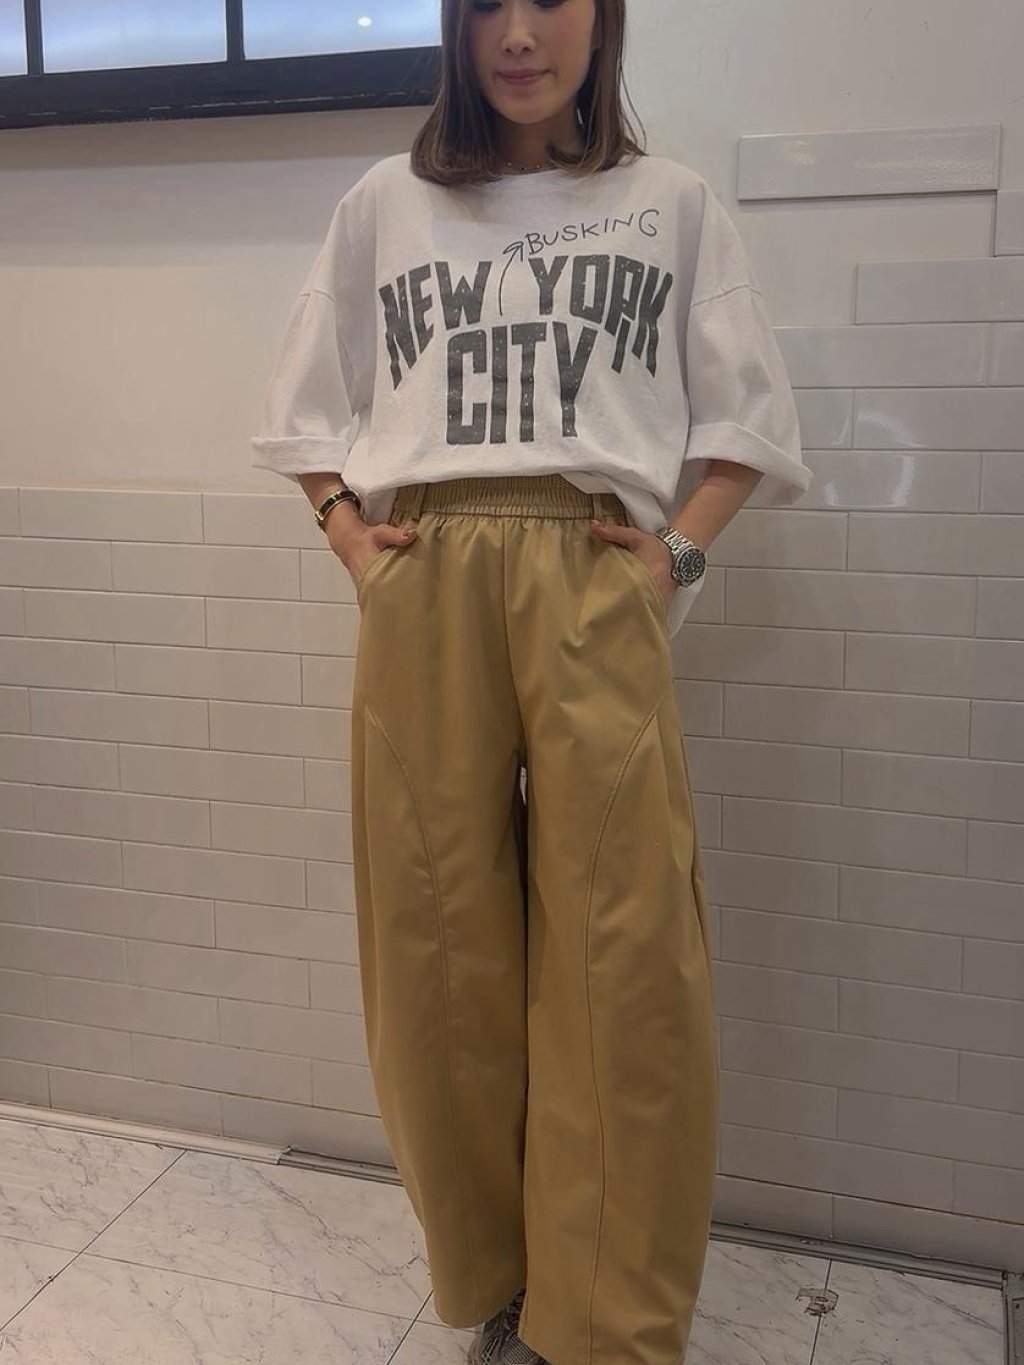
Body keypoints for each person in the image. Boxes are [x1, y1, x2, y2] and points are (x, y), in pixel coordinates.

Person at [251, 2, 813, 1363]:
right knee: (438, 941)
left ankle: (603, 1316)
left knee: (625, 951)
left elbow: (747, 421)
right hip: (426, 569)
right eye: (488, 3)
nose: (518, 33)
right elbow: (303, 407)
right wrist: (351, 539)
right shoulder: (386, 204)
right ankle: (495, 1275)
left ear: (601, 21)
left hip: (594, 565)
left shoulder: (670, 204)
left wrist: (674, 556)